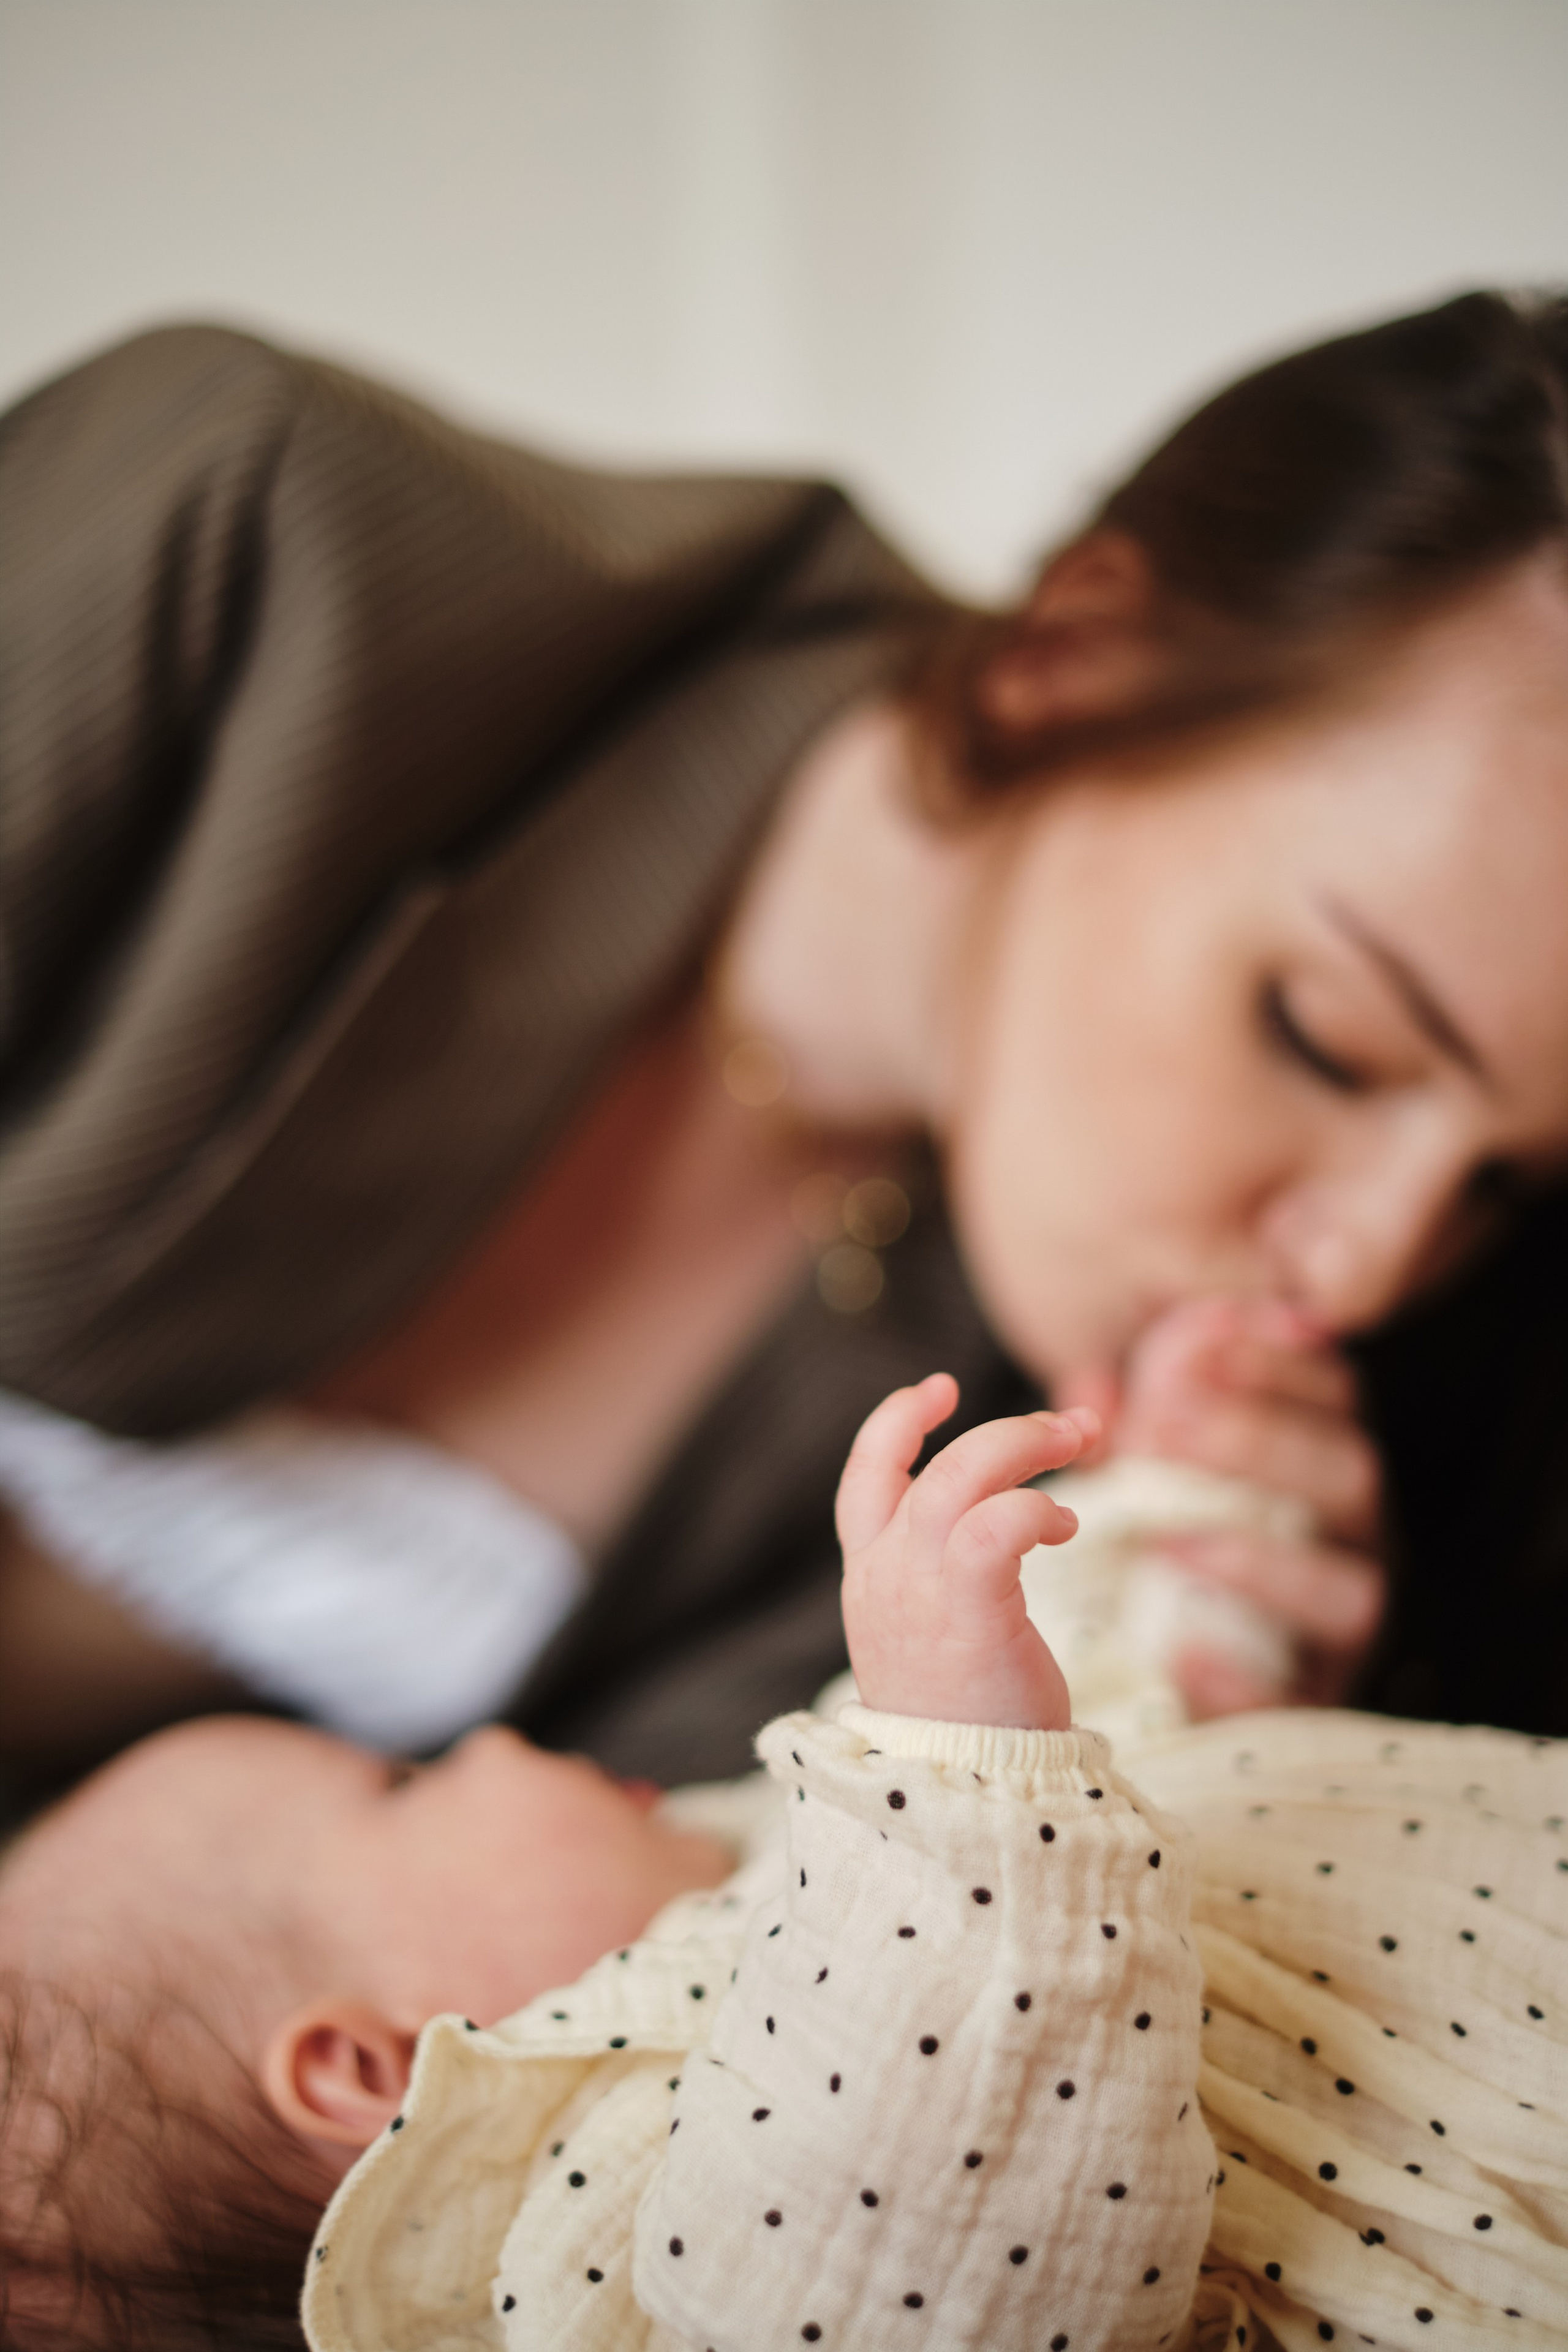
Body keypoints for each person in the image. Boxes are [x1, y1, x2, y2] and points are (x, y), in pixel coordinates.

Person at [4, 288, 1568, 1799]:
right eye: (1328, 1041)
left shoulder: (1062, 1442)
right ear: (1075, 656)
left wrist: (1144, 1730)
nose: (1365, 1265)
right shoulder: (247, 546)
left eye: (1496, 1183)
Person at [1, 1385, 1562, 2350]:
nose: (489, 1744)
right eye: (401, 1789)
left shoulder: (788, 1863)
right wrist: (949, 1743)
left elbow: (1101, 1749)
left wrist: (1155, 1495)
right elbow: (924, 2252)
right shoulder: (635, 2249)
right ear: (369, 2072)